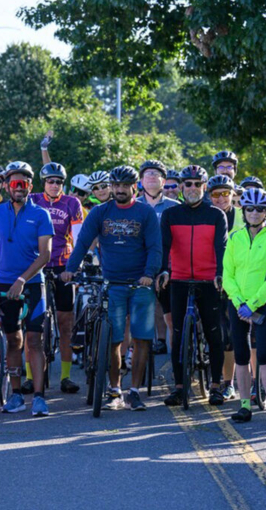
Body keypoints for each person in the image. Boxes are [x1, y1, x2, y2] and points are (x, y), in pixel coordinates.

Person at [62, 166, 161, 412]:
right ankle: (115, 390)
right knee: (113, 340)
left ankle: (134, 391)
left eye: (125, 185)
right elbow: (82, 242)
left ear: (134, 187)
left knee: (141, 338)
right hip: (112, 284)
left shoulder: (145, 213)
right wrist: (70, 269)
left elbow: (155, 247)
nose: (119, 190)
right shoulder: (100, 212)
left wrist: (149, 274)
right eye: (116, 185)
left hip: (140, 284)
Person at [0, 161, 53, 417]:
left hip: (32, 284)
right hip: (4, 285)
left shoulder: (41, 214)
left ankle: (39, 397)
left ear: (30, 186)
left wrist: (22, 279)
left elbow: (45, 255)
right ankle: (15, 395)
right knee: (13, 340)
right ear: (6, 186)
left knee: (34, 341)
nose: (19, 187)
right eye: (14, 183)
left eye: (23, 183)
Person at [158, 165, 227, 407]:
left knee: (214, 333)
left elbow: (221, 247)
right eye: (188, 184)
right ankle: (179, 387)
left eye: (198, 184)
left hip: (209, 280)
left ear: (204, 187)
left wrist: (220, 274)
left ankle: (216, 386)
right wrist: (163, 270)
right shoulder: (171, 215)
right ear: (181, 187)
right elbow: (164, 246)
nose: (193, 188)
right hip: (179, 279)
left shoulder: (216, 215)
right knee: (178, 334)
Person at [223, 188, 266, 425]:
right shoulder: (234, 238)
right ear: (244, 210)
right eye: (250, 208)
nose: (255, 213)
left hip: (263, 304)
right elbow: (227, 274)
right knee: (241, 356)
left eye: (260, 209)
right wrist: (239, 302)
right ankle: (244, 406)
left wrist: (252, 305)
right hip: (237, 304)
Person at [29, 160, 83, 394]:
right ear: (43, 183)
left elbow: (78, 237)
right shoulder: (33, 200)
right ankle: (30, 376)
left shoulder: (72, 202)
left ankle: (66, 376)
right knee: (32, 324)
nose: (54, 185)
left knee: (65, 323)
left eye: (59, 182)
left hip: (63, 266)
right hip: (36, 265)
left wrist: (75, 266)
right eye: (50, 181)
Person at [137, 160, 179, 356]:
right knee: (139, 316)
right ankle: (135, 355)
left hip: (168, 267)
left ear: (164, 181)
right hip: (138, 266)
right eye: (148, 174)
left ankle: (176, 361)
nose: (152, 176)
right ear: (141, 181)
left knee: (170, 317)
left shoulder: (175, 207)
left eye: (157, 173)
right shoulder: (133, 205)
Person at [208, 174, 242, 400]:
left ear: (233, 195)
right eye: (216, 194)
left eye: (225, 194)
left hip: (236, 281)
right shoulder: (205, 214)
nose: (221, 198)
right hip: (209, 277)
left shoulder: (244, 216)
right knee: (215, 332)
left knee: (229, 334)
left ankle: (229, 383)